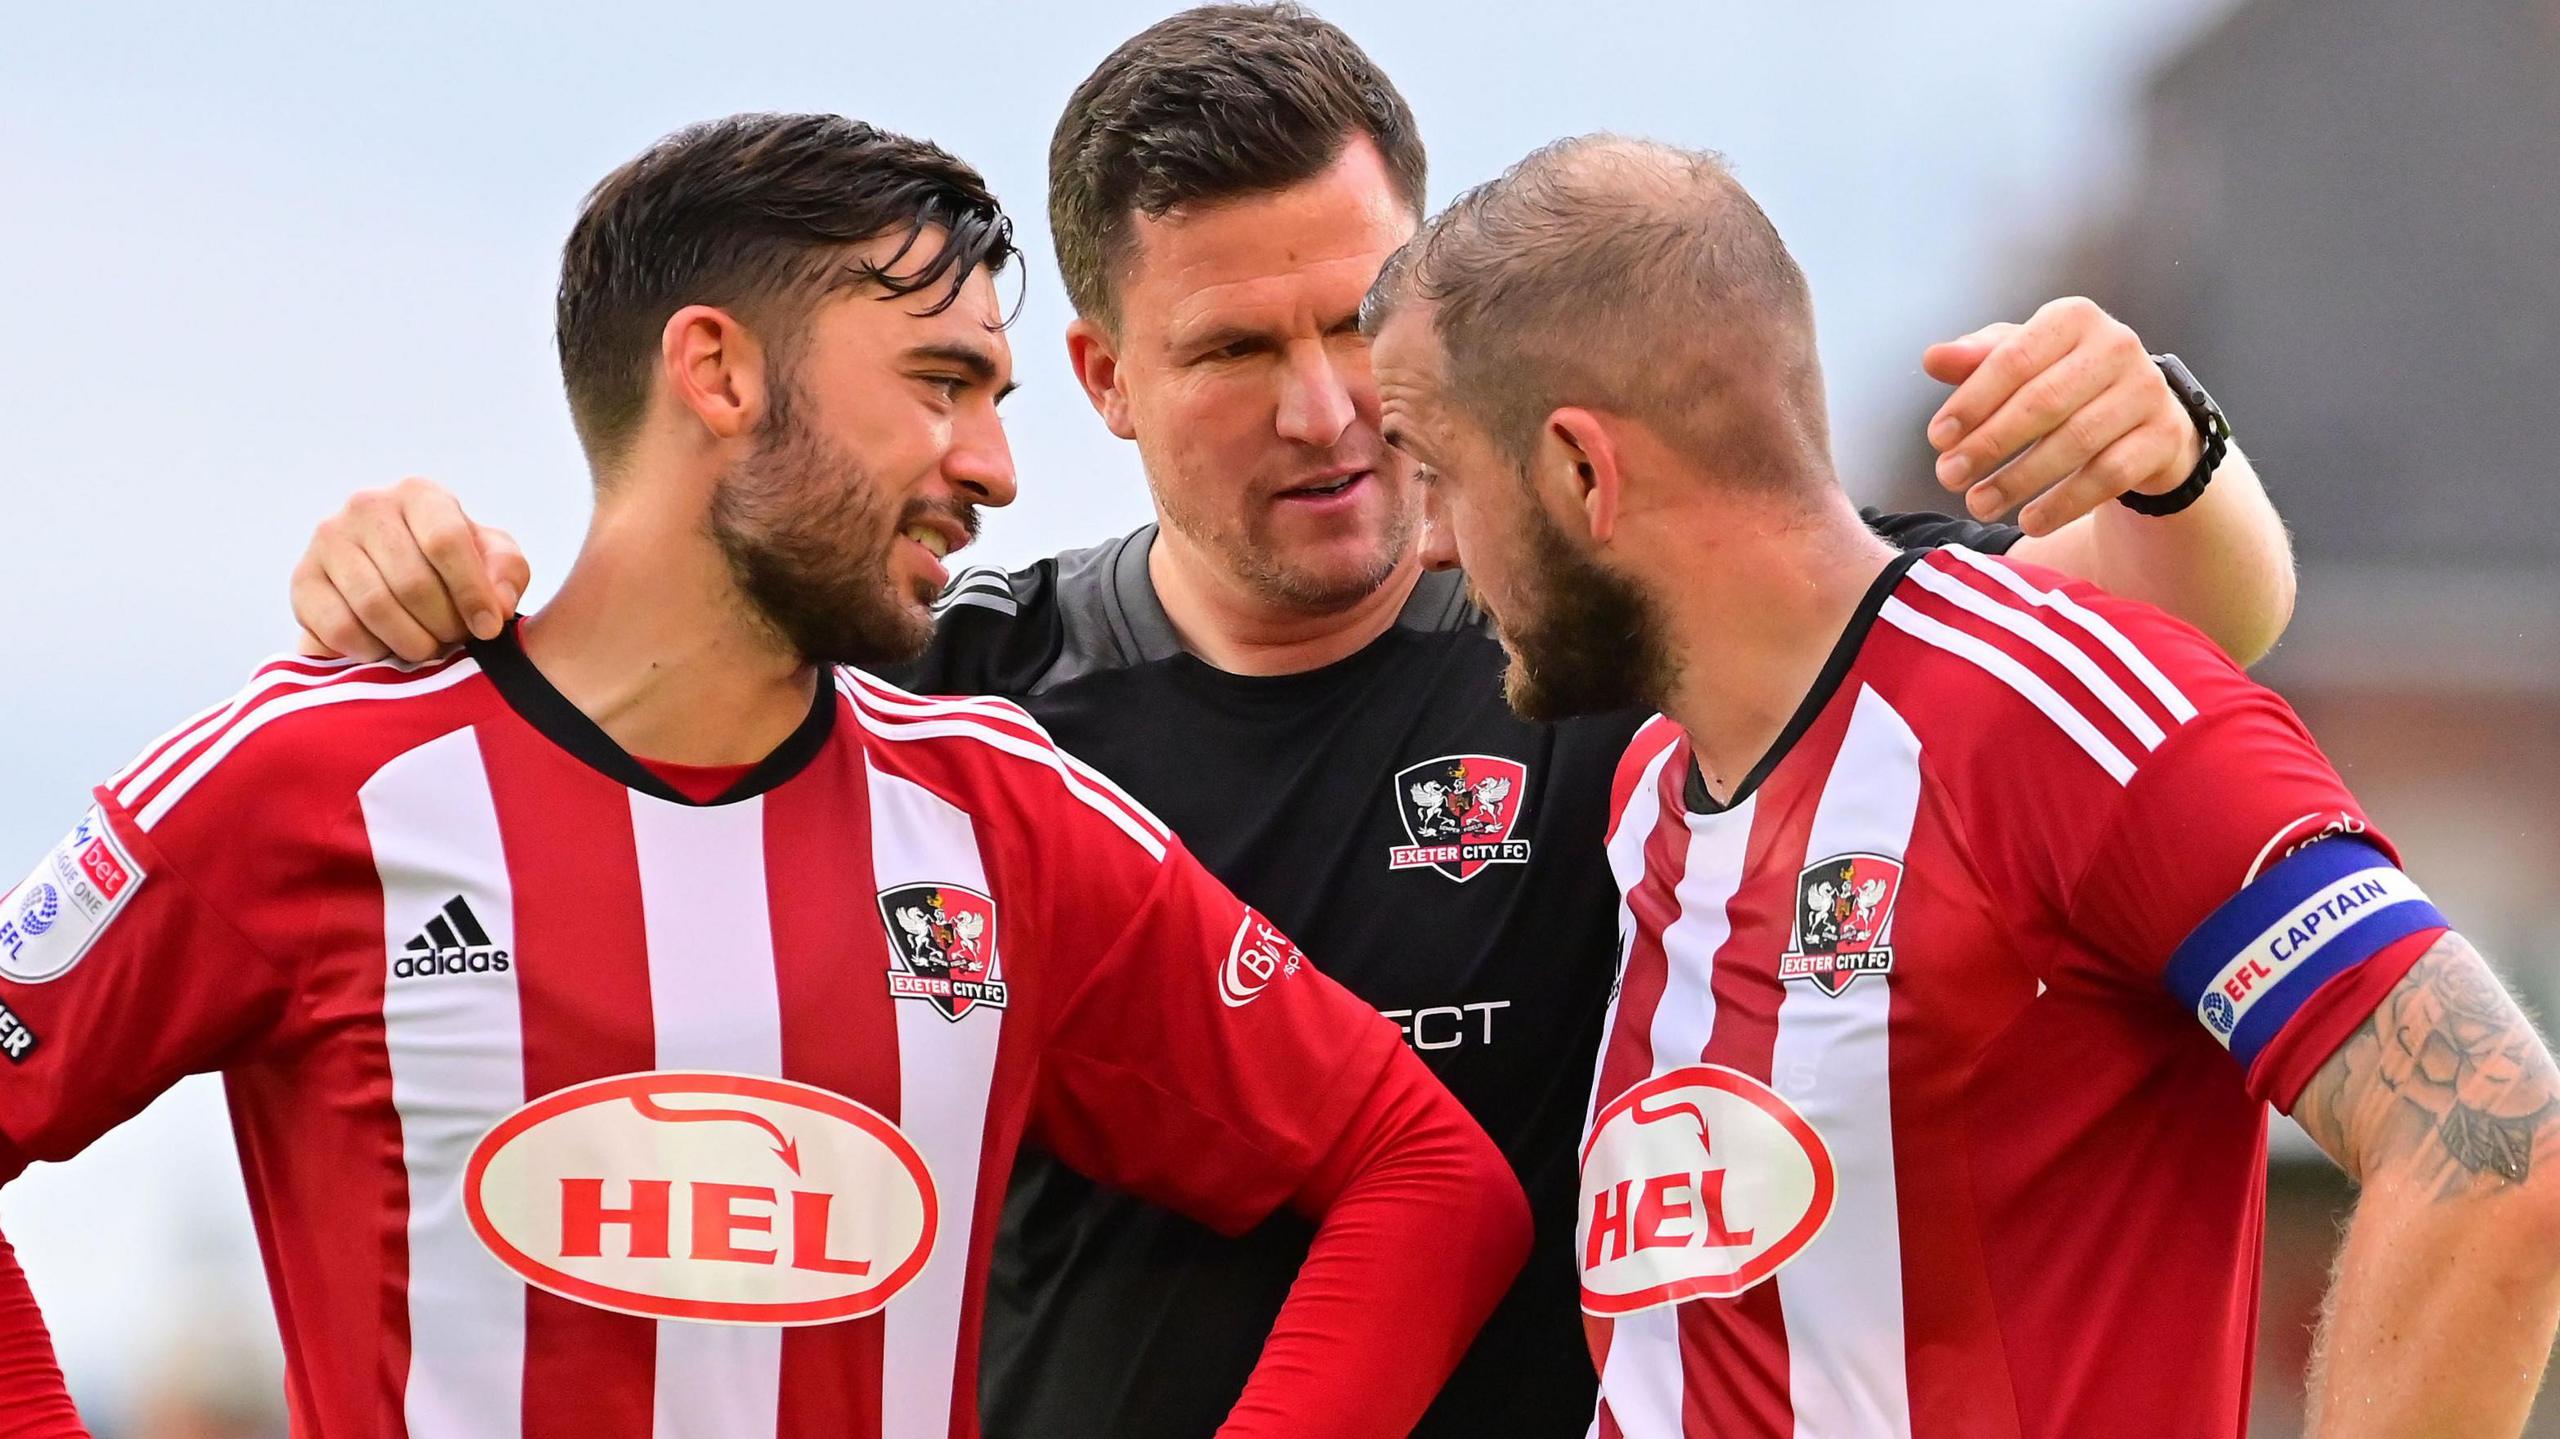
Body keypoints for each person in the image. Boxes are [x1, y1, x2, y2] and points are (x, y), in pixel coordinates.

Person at [280, 9, 2303, 1434]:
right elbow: (586, 735)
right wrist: (411, 583)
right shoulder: (956, 701)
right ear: (1093, 376)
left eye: (1360, 318)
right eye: (1236, 349)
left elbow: (2160, 645)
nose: (1329, 406)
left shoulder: (1606, 636)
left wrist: (2167, 447)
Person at [0, 112, 1534, 1439]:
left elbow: (1428, 1184)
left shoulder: (1003, 819)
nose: (997, 464)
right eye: (942, 383)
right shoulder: (309, 780)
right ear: (716, 373)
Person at [1360, 131, 2560, 1437]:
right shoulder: (1655, 787)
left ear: (1583, 470)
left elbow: (2501, 1153)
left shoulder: (2047, 716)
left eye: (1441, 474)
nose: (1424, 543)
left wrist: (2182, 461)